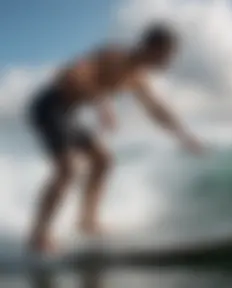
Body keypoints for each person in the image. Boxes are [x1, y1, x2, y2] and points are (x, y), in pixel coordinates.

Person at [28, 24, 203, 253]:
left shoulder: (137, 78)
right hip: (48, 106)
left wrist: (184, 137)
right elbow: (68, 74)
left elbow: (157, 110)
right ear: (152, 47)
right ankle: (38, 235)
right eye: (166, 54)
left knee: (103, 161)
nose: (167, 61)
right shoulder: (112, 56)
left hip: (68, 113)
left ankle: (87, 222)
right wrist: (101, 102)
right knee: (67, 169)